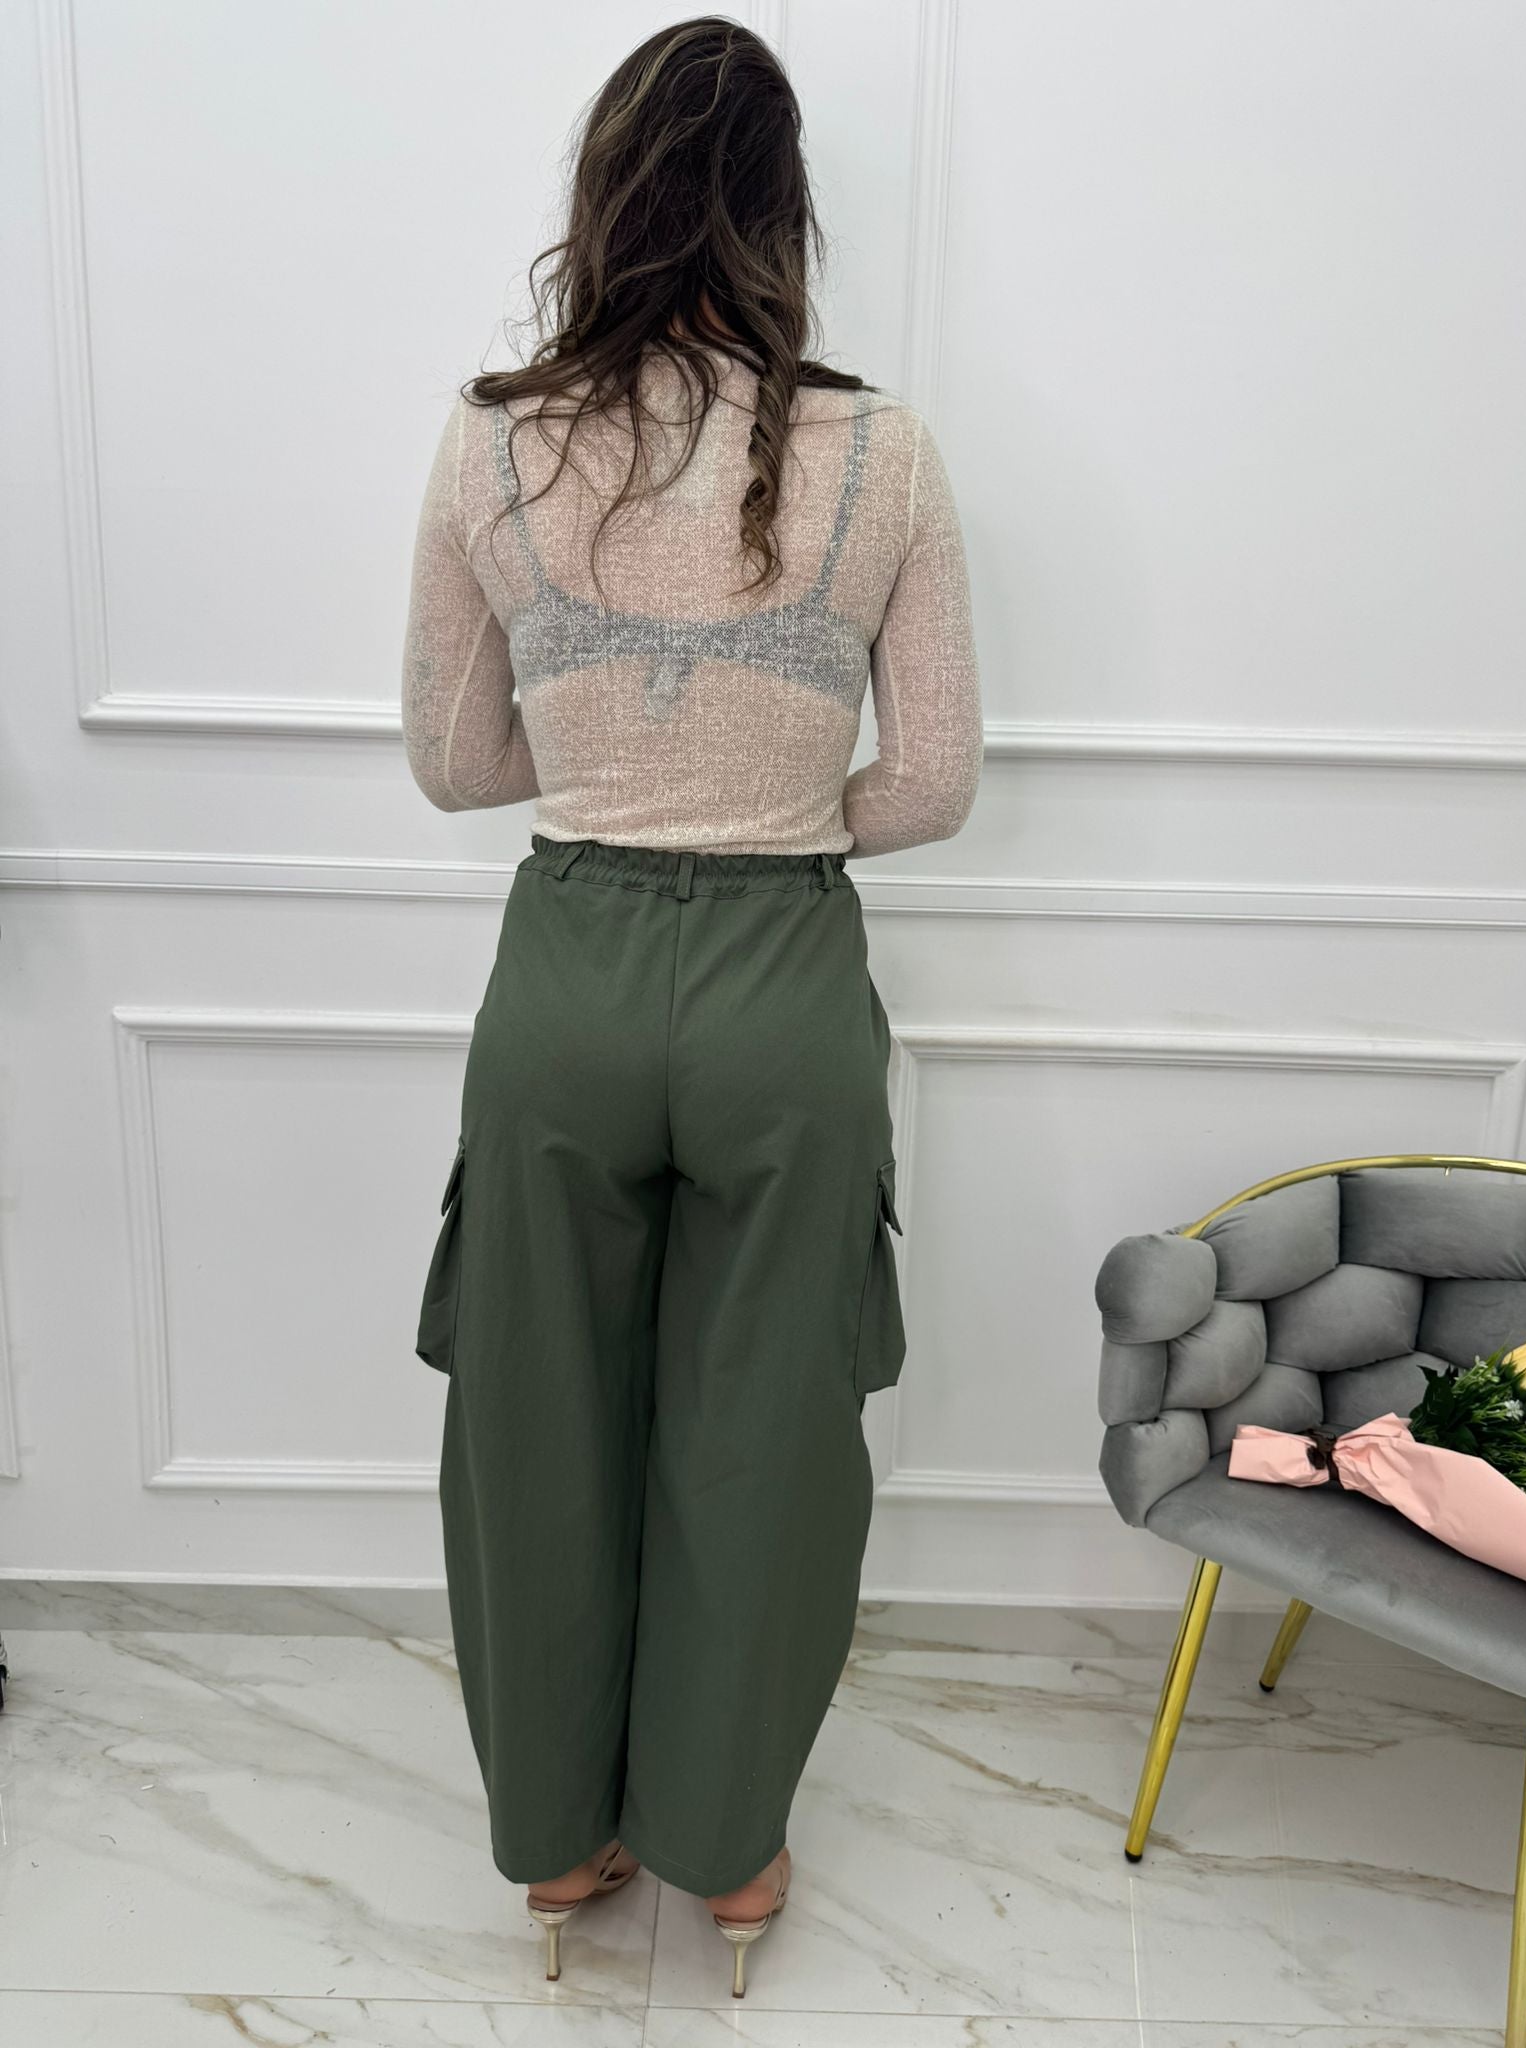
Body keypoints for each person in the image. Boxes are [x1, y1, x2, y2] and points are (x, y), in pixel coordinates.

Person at [400, 13, 982, 2001]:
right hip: (785, 985)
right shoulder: (883, 450)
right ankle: (727, 1850)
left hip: (564, 975)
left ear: (603, 198)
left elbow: (453, 765)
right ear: (784, 212)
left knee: (534, 1421)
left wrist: (617, 776)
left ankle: (561, 1842)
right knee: (767, 1436)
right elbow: (934, 785)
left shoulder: (492, 437)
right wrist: (769, 805)